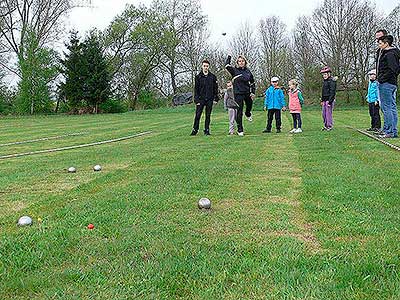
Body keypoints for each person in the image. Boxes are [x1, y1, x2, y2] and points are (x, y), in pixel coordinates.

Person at [225, 55, 256, 136]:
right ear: (237, 63)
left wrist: (253, 92)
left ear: (245, 62)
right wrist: (229, 57)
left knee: (249, 105)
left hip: (247, 92)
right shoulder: (234, 70)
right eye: (239, 61)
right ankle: (240, 129)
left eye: (242, 61)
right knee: (239, 111)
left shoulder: (248, 71)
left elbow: (252, 83)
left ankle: (248, 113)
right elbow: (227, 66)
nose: (241, 62)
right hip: (238, 93)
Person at [376, 35, 400, 138]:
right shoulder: (392, 53)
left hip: (386, 84)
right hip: (391, 83)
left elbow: (393, 70)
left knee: (387, 108)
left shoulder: (389, 54)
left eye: (380, 43)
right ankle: (392, 131)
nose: (379, 45)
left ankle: (389, 131)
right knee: (391, 107)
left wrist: (381, 79)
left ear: (386, 44)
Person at [191, 60, 219, 136]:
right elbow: (196, 89)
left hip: (209, 99)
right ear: (202, 66)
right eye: (204, 66)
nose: (205, 67)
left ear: (209, 67)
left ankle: (206, 130)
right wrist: (196, 100)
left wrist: (216, 98)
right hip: (201, 99)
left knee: (208, 115)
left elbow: (215, 88)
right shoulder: (198, 77)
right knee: (197, 115)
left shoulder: (213, 77)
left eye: (207, 66)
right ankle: (195, 129)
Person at [320, 66, 337, 131]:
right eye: (323, 75)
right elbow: (323, 92)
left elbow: (332, 92)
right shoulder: (325, 82)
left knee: (328, 114)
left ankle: (329, 126)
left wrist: (330, 101)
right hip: (324, 100)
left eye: (325, 74)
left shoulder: (332, 81)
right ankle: (325, 125)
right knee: (323, 114)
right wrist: (322, 100)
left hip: (329, 100)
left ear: (329, 74)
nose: (324, 76)